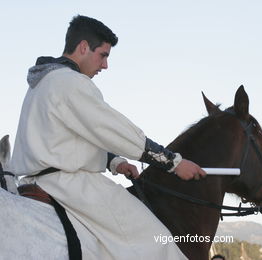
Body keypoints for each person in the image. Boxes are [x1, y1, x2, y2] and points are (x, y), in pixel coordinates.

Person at [9, 15, 206, 259]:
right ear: (83, 47)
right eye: (103, 55)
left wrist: (114, 162)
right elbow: (114, 130)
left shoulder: (42, 82)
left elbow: (65, 140)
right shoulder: (71, 82)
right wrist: (174, 163)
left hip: (34, 181)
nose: (105, 66)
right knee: (156, 241)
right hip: (72, 186)